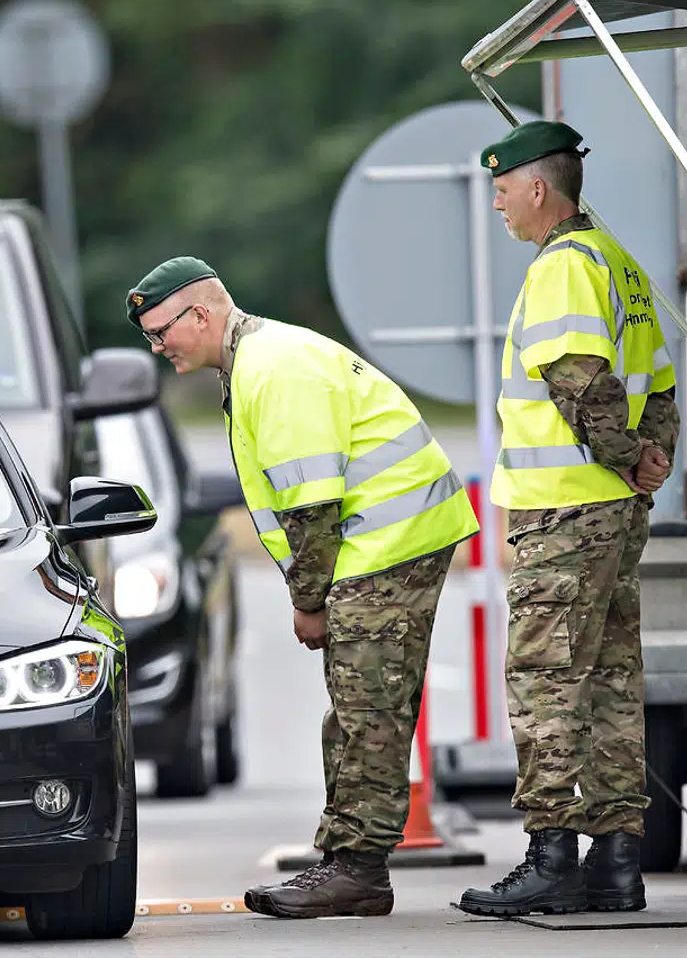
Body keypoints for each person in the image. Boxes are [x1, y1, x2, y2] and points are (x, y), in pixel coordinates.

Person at [124, 256, 479, 919]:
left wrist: (308, 602)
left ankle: (357, 872)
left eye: (161, 333)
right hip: (378, 542)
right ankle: (347, 863)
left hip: (386, 542)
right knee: (355, 709)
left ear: (199, 314)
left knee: (368, 712)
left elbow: (311, 507)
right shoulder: (261, 360)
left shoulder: (272, 370)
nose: (157, 348)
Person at [455, 120, 680, 919]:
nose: (496, 204)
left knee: (546, 677)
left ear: (538, 188)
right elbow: (660, 385)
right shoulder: (618, 263)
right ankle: (616, 863)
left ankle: (550, 856)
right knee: (612, 679)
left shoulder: (562, 267)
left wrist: (623, 455)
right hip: (613, 508)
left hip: (565, 509)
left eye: (502, 190)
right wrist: (650, 458)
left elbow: (579, 380)